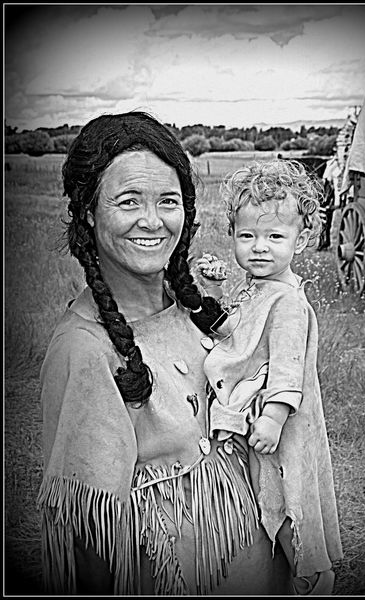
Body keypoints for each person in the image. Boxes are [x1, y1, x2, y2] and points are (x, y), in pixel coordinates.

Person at [36, 112, 295, 595]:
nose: (152, 221)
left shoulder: (194, 314)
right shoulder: (86, 351)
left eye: (168, 201)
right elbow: (91, 547)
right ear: (89, 212)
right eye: (129, 200)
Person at [199, 159, 344, 595]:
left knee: (283, 498)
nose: (259, 248)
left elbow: (286, 367)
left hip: (278, 423)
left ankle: (311, 577)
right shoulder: (256, 288)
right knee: (262, 496)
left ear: (300, 242)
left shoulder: (287, 303)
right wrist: (212, 296)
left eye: (275, 237)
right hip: (257, 418)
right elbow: (238, 339)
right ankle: (278, 575)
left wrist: (275, 416)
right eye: (247, 236)